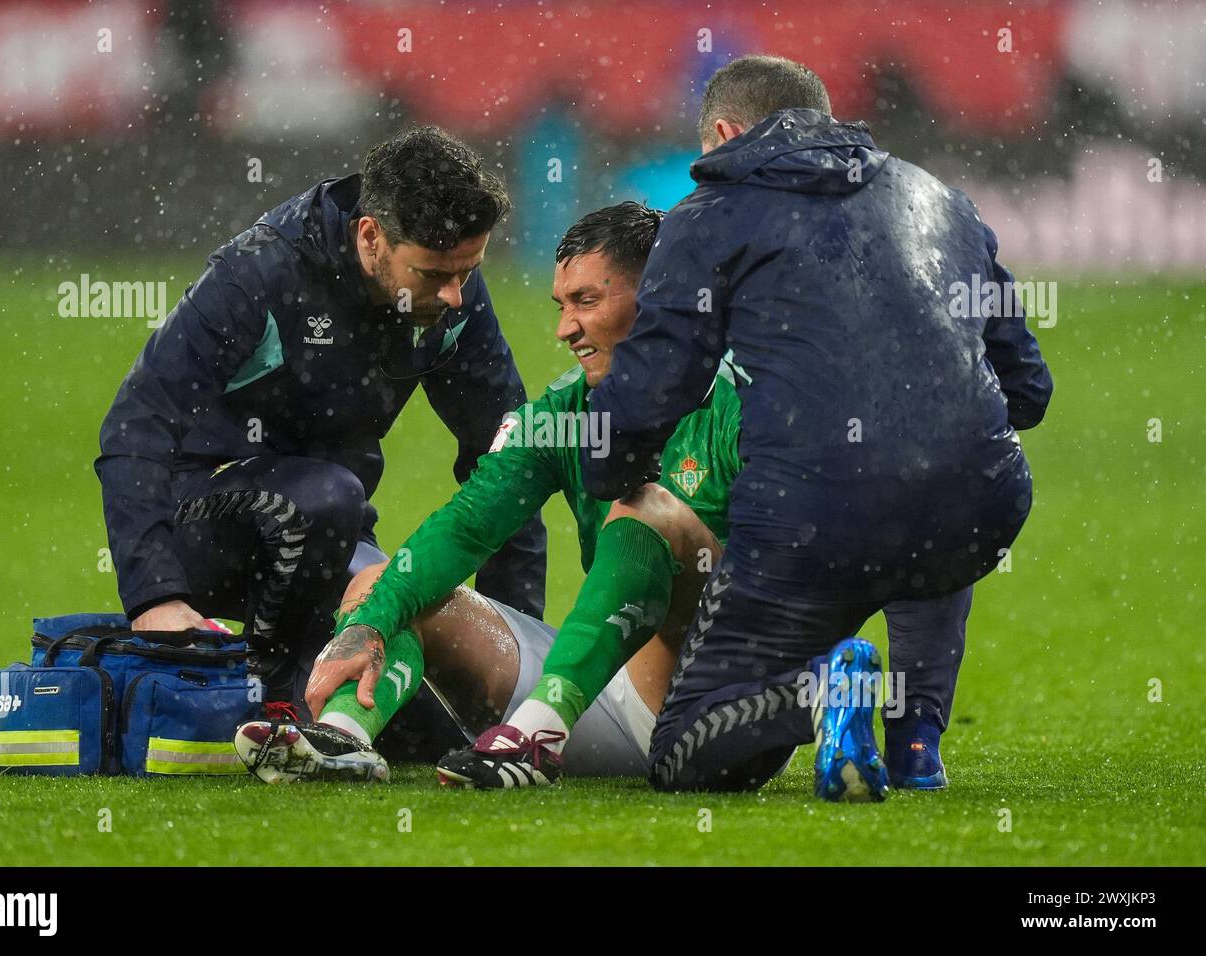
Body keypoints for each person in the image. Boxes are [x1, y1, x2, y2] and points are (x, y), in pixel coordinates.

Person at [581, 56, 1052, 799]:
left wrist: (606, 477)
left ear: (727, 133)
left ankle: (827, 691)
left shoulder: (709, 216)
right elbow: (1028, 389)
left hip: (814, 519)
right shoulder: (940, 197)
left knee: (686, 751)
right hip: (978, 507)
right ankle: (918, 740)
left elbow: (651, 393)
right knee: (940, 471)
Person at [234, 202, 741, 785]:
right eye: (561, 305)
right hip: (596, 694)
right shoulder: (564, 414)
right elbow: (467, 526)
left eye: (586, 302)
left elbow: (791, 575)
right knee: (387, 587)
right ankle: (343, 740)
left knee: (645, 506)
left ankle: (536, 734)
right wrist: (367, 625)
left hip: (715, 707)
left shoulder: (745, 403)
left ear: (657, 297)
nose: (564, 329)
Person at [95, 126, 546, 710]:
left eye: (468, 272)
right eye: (436, 275)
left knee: (422, 660)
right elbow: (136, 423)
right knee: (327, 495)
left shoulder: (450, 290)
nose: (457, 295)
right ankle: (277, 696)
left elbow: (509, 461)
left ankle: (316, 686)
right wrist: (155, 597)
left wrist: (509, 650)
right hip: (204, 527)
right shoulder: (257, 275)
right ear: (370, 237)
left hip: (334, 534)